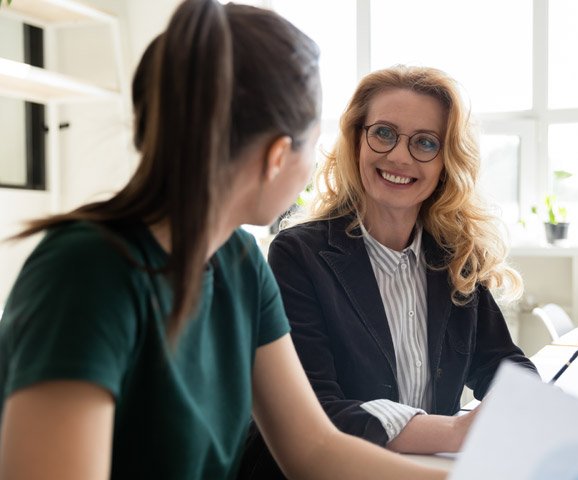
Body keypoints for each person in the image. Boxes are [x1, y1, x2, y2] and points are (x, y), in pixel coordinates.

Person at [0, 2, 446, 479]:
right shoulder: (86, 271)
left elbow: (314, 448)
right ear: (278, 156)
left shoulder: (239, 262)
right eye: (311, 144)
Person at [241, 65, 537, 469]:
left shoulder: (454, 256)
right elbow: (316, 413)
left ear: (446, 161)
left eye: (425, 142)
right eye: (383, 133)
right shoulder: (298, 255)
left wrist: (508, 408)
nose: (399, 156)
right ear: (356, 140)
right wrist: (456, 432)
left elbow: (503, 362)